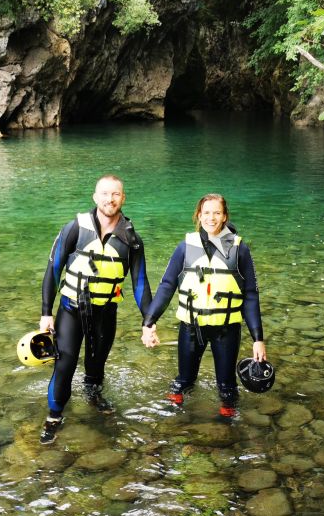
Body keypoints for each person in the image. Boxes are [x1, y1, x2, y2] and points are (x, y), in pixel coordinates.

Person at [38, 175, 152, 444]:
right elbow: (53, 272)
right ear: (95, 197)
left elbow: (140, 283)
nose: (109, 199)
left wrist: (149, 321)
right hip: (71, 310)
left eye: (115, 194)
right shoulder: (74, 229)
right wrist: (46, 312)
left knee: (96, 365)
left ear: (123, 198)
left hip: (105, 313)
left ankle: (93, 395)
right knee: (64, 365)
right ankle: (54, 416)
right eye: (104, 194)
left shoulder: (132, 240)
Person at [141, 193, 266, 418]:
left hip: (226, 329)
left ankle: (227, 426)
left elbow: (250, 295)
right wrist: (149, 322)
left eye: (217, 213)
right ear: (199, 216)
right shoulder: (185, 247)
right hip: (191, 327)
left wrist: (258, 339)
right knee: (183, 381)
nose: (211, 218)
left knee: (227, 386)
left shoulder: (240, 250)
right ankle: (176, 420)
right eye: (206, 213)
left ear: (225, 216)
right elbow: (167, 285)